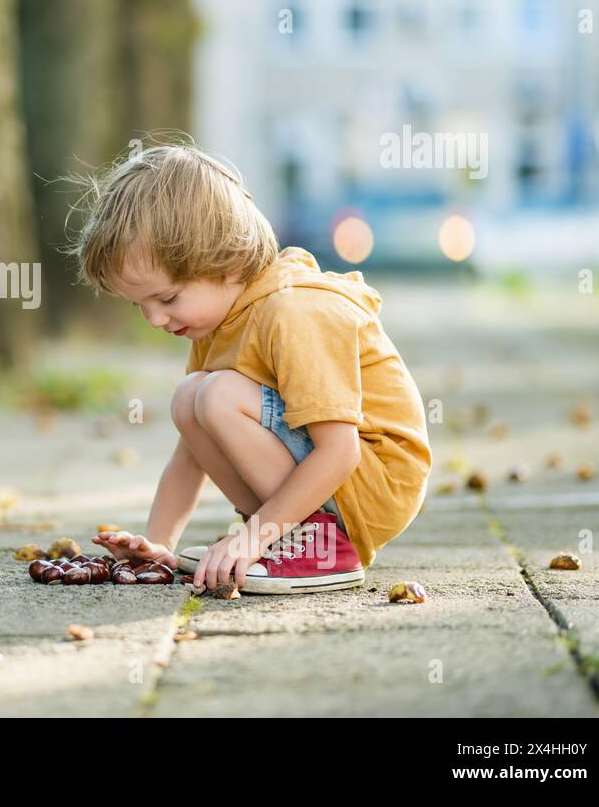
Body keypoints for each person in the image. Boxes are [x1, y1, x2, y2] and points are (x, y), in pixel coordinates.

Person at [66, 139, 431, 594]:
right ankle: (289, 535)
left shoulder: (294, 312)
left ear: (229, 263)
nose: (156, 319)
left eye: (167, 299)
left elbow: (340, 452)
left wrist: (250, 538)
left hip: (373, 482)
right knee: (190, 398)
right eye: (140, 305)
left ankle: (319, 547)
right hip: (331, 479)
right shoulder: (217, 321)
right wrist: (158, 547)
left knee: (216, 396)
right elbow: (191, 453)